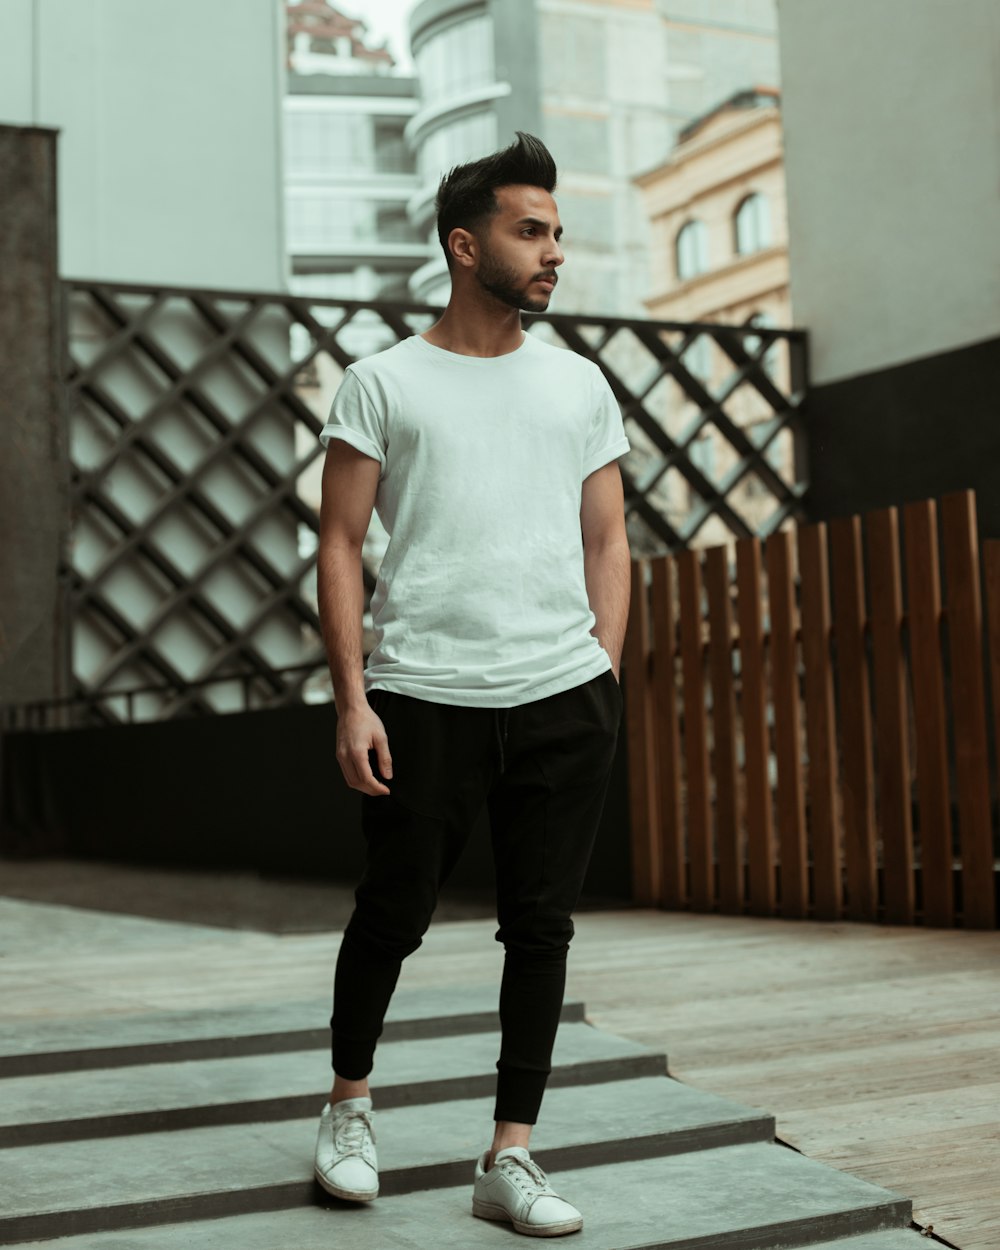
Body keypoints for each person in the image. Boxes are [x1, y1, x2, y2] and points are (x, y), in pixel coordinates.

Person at [312, 131, 631, 1238]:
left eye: (557, 234)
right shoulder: (383, 380)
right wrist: (353, 697)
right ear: (464, 243)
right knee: (392, 910)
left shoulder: (578, 382)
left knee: (540, 926)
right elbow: (341, 543)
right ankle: (349, 1105)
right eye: (528, 231)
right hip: (423, 692)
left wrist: (604, 667)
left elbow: (608, 539)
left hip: (560, 694)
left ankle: (511, 1153)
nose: (552, 254)